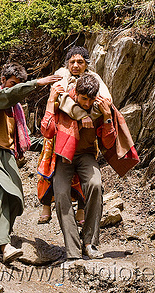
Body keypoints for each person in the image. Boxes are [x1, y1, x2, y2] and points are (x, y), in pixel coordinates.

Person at [0, 62, 62, 263]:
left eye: (17, 84)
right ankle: (3, 245)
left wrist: (56, 141)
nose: (13, 88)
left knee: (15, 197)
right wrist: (36, 83)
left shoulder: (15, 111)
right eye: (11, 83)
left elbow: (27, 139)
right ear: (2, 81)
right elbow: (9, 95)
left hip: (7, 155)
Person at [41, 73, 119, 263]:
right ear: (76, 93)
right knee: (60, 195)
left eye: (91, 100)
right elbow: (47, 131)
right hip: (63, 156)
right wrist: (51, 102)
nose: (87, 103)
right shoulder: (63, 103)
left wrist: (107, 117)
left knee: (95, 185)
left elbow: (108, 143)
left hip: (86, 155)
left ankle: (89, 243)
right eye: (84, 99)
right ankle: (73, 250)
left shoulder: (99, 108)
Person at [38, 46, 112, 224]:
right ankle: (46, 206)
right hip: (59, 133)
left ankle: (81, 210)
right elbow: (59, 99)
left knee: (84, 176)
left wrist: (90, 116)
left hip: (85, 137)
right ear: (67, 63)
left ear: (87, 64)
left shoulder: (94, 79)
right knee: (51, 169)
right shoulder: (61, 76)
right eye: (72, 62)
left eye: (80, 62)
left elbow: (105, 100)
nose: (76, 65)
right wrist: (81, 115)